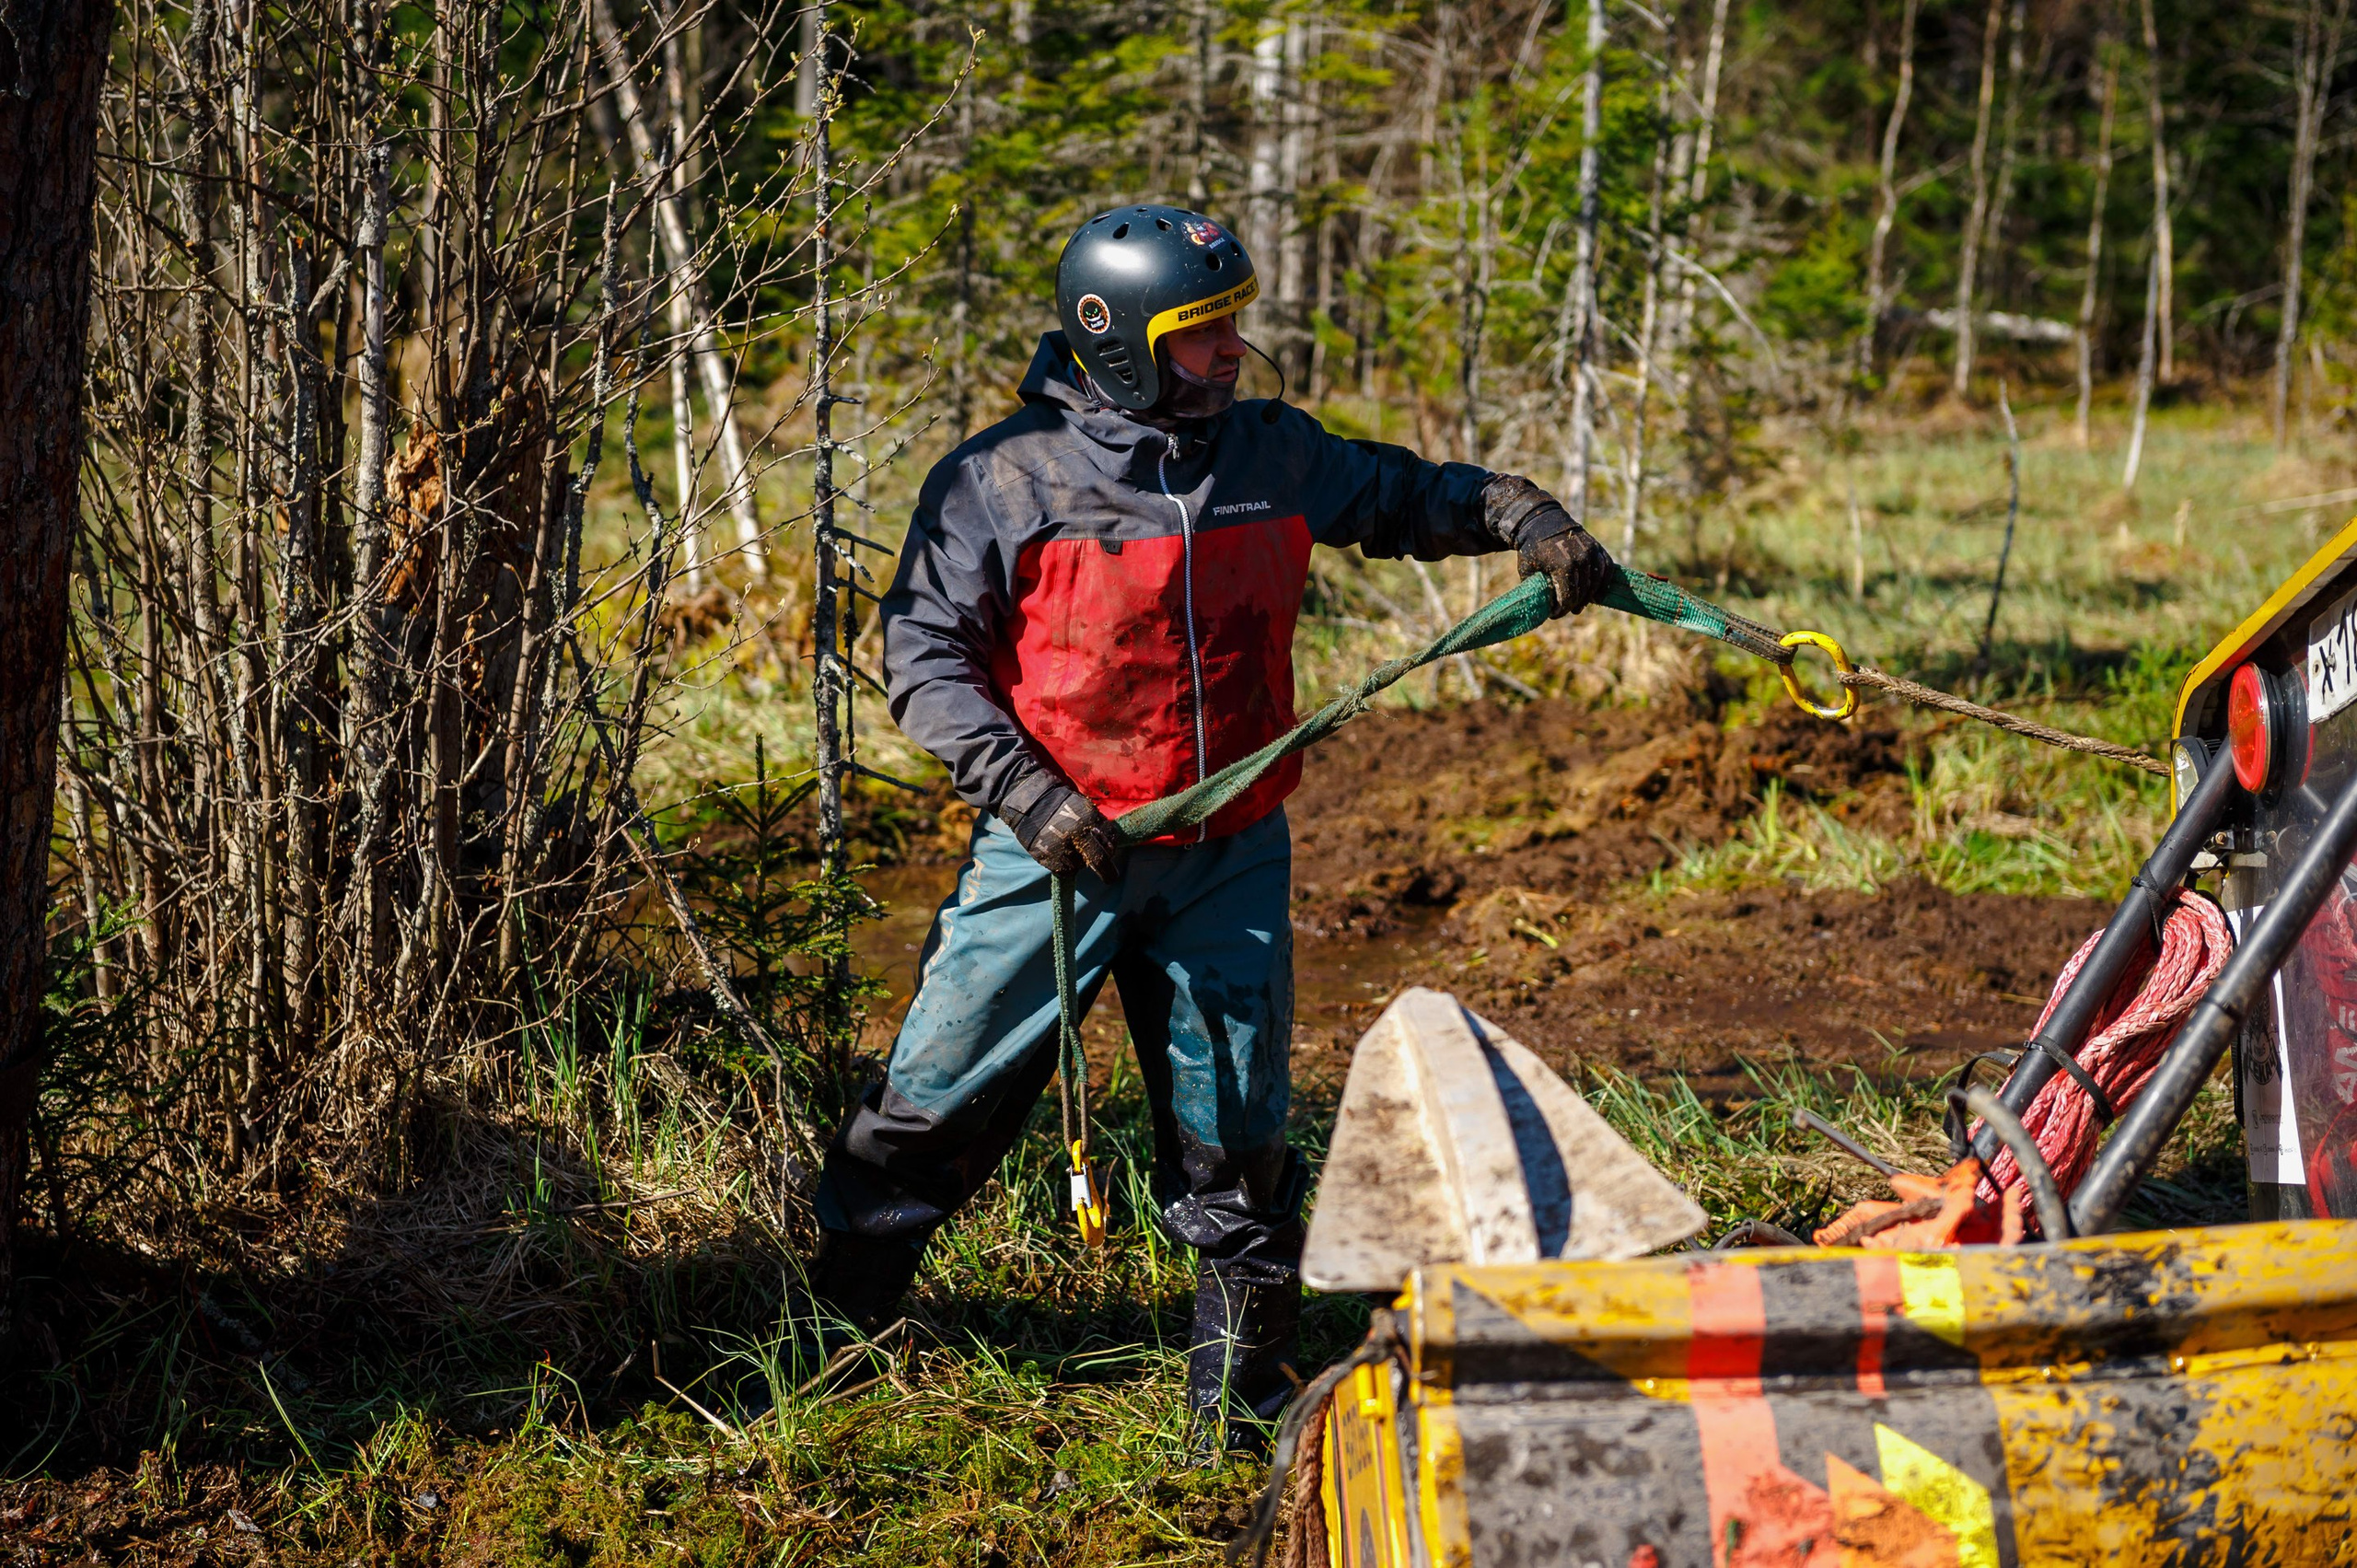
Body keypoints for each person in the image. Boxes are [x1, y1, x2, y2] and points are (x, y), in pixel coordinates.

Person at [808, 203, 1614, 1447]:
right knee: (932, 1108)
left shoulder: (1269, 455)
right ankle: (824, 1359)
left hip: (1231, 852)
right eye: (1201, 333)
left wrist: (1515, 511)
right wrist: (1034, 798)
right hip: (1056, 858)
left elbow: (1399, 496)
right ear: (1118, 340)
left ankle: (1236, 1420)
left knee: (1238, 1149)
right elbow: (922, 657)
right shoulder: (1000, 478)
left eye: (1233, 323)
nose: (1233, 349)